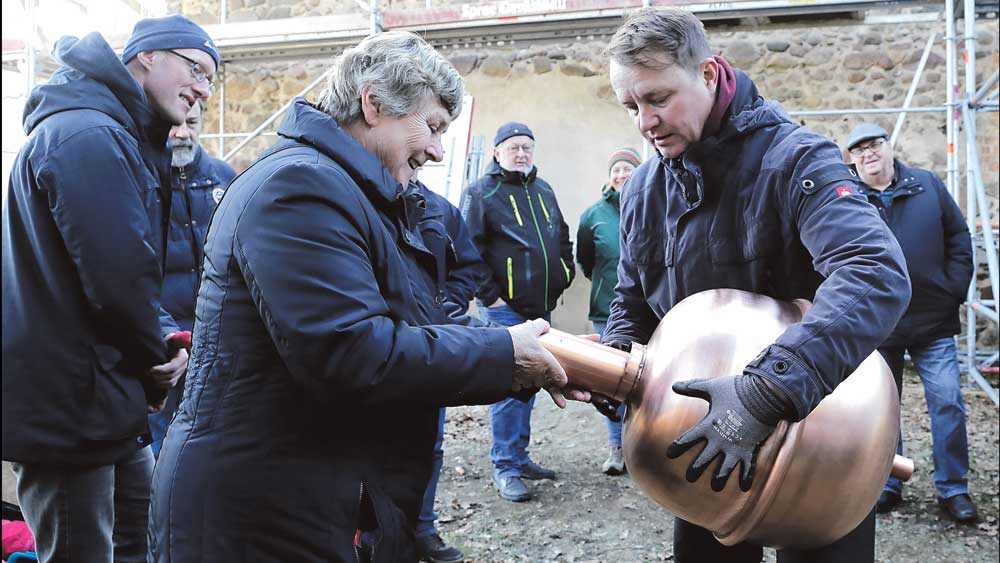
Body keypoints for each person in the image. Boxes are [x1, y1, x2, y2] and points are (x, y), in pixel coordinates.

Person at [148, 31, 588, 563]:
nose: (437, 149)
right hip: (256, 514)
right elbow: (352, 351)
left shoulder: (359, 194)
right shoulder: (299, 188)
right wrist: (505, 355)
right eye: (432, 126)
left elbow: (414, 324)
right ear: (374, 104)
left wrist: (548, 352)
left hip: (311, 495)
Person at [600, 8, 910, 563]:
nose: (645, 122)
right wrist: (616, 359)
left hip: (821, 438)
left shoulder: (796, 160)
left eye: (658, 98)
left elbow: (873, 271)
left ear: (709, 74)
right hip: (704, 440)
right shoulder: (644, 189)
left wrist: (767, 391)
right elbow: (632, 296)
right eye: (631, 107)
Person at [2, 14, 218, 563]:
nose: (202, 89)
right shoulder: (88, 136)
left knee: (140, 540)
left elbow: (124, 272)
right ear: (146, 56)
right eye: (195, 69)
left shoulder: (112, 133)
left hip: (103, 396)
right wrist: (157, 357)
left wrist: (163, 338)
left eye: (211, 80)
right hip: (69, 407)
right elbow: (116, 280)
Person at [844, 123, 977, 523]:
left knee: (948, 402)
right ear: (852, 160)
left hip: (932, 320)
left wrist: (952, 290)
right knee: (883, 411)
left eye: (875, 145)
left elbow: (959, 238)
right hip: (879, 323)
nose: (869, 153)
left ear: (889, 148)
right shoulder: (848, 198)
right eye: (859, 150)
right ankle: (888, 482)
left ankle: (953, 487)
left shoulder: (927, 185)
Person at [460, 122, 576, 503]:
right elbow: (467, 249)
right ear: (497, 153)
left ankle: (520, 456)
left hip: (540, 308)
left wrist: (564, 274)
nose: (522, 153)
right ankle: (506, 466)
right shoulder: (481, 192)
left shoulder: (544, 190)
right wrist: (491, 298)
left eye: (527, 147)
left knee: (532, 383)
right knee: (510, 387)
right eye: (514, 147)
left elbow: (561, 236)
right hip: (505, 312)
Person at [408, 179, 491, 563]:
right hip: (379, 348)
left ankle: (422, 529)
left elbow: (469, 264)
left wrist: (442, 305)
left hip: (431, 346)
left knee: (430, 443)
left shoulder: (439, 208)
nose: (433, 152)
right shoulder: (353, 197)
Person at [148, 100, 236, 458]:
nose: (183, 133)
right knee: (159, 449)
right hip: (163, 347)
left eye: (192, 124)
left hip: (218, 344)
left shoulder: (223, 177)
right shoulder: (143, 180)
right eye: (175, 125)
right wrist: (164, 337)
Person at [576, 146, 641, 476]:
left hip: (649, 312)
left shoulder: (652, 204)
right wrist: (606, 283)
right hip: (608, 310)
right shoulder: (593, 216)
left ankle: (643, 450)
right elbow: (586, 260)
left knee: (646, 383)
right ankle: (617, 448)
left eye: (628, 168)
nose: (621, 174)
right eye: (616, 169)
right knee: (613, 382)